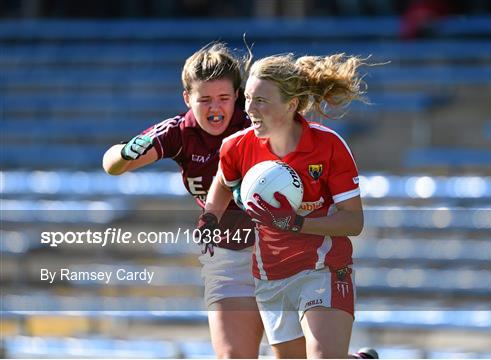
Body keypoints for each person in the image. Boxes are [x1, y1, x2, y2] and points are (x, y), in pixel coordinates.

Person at [102, 43, 264, 358]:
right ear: (187, 99)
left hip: (281, 250)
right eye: (204, 99)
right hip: (227, 254)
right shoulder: (179, 131)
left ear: (238, 97)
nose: (214, 108)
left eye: (223, 99)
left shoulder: (257, 125)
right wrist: (124, 153)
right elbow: (112, 164)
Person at [200, 52, 367, 358]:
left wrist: (298, 224)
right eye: (247, 98)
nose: (249, 109)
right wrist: (210, 217)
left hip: (324, 269)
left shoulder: (328, 146)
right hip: (271, 276)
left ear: (291, 105)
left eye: (261, 100)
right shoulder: (237, 146)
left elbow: (353, 221)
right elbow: (223, 182)